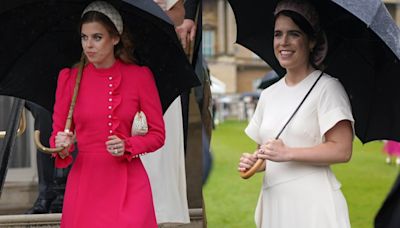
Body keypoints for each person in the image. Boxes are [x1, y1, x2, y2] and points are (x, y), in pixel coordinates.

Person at [237, 0, 354, 227]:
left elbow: (342, 150)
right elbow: (267, 153)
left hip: (312, 204)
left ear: (311, 41)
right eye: (278, 34)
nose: (283, 42)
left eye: (294, 34)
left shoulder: (327, 88)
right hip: (275, 201)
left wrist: (288, 152)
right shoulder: (268, 94)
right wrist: (254, 161)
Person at [50, 1, 165, 227]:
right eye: (84, 37)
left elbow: (158, 134)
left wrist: (128, 145)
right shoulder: (70, 79)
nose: (89, 45)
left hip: (129, 182)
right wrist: (61, 143)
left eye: (97, 37)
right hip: (86, 183)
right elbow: (58, 137)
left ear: (115, 38)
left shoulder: (139, 77)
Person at [140, 0, 190, 226]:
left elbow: (178, 12)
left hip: (158, 63)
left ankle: (159, 213)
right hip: (121, 61)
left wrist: (151, 13)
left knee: (160, 151)